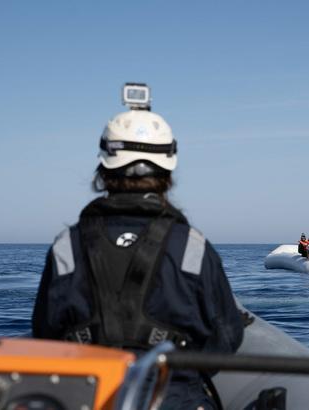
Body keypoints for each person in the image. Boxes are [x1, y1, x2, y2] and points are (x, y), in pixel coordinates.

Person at [31, 89, 243, 409]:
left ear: (104, 166)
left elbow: (44, 332)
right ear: (168, 168)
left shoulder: (66, 246)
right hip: (173, 396)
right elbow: (227, 337)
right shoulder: (193, 247)